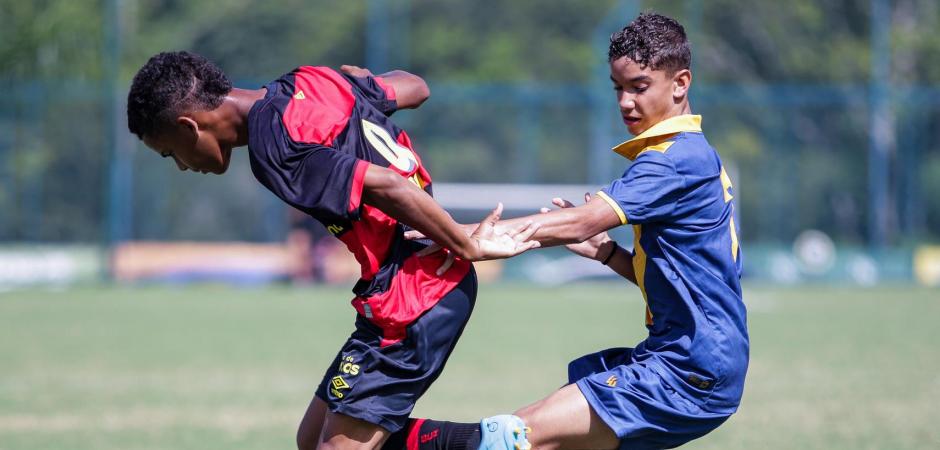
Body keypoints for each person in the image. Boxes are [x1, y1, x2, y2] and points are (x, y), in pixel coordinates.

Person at [126, 52, 541, 450]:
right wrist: (362, 83)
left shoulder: (274, 147)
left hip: (412, 295)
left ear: (188, 126)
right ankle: (482, 442)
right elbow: (416, 87)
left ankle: (487, 443)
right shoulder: (310, 81)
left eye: (170, 153)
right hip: (409, 286)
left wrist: (465, 243)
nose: (181, 165)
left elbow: (388, 185)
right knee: (311, 440)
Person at [386, 12, 748, 450]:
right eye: (618, 88)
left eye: (639, 87)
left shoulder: (673, 160)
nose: (625, 102)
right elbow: (688, 283)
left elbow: (582, 220)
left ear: (680, 83)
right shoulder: (694, 154)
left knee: (513, 438)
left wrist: (461, 236)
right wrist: (608, 254)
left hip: (689, 370)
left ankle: (382, 441)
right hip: (689, 360)